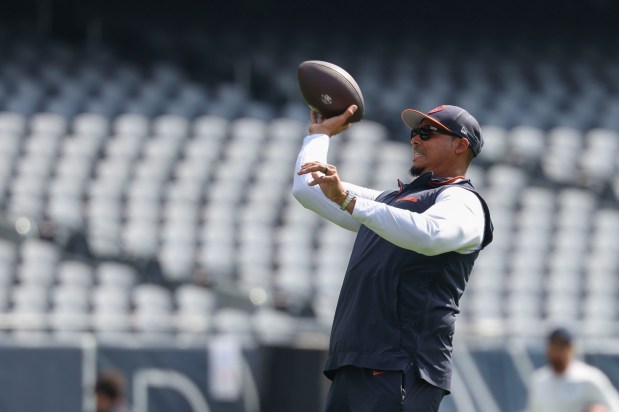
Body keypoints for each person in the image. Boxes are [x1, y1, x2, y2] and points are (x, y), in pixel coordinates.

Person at [292, 104, 493, 411]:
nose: (414, 139)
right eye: (414, 132)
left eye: (427, 132)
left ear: (460, 144)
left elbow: (430, 234)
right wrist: (319, 137)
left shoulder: (463, 201)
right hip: (355, 364)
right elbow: (308, 190)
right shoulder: (391, 200)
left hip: (402, 367)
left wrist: (348, 200)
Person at [527, 327, 619, 412]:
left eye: (563, 346)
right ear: (548, 349)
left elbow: (615, 406)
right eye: (555, 346)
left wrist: (601, 410)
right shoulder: (539, 381)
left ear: (571, 348)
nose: (558, 352)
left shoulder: (588, 377)